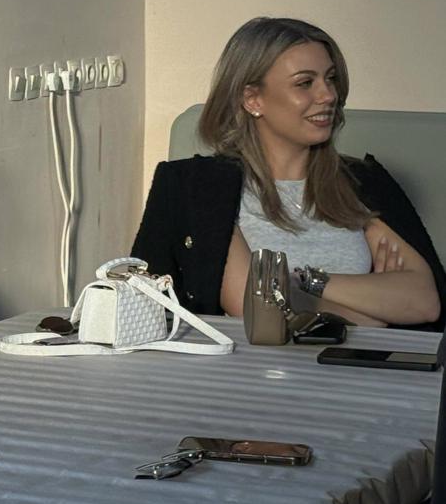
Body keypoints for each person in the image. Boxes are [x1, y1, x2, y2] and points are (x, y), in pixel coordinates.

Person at [132, 17, 444, 328]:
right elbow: (256, 310)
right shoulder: (202, 186)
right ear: (253, 99)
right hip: (253, 360)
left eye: (330, 79)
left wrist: (306, 283)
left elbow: (425, 303)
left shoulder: (361, 181)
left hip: (363, 359)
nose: (328, 95)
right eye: (305, 83)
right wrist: (374, 311)